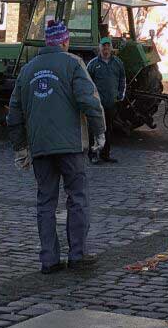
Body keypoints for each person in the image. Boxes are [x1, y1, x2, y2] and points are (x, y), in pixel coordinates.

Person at [8, 18, 105, 274]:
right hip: (70, 146)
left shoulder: (27, 69)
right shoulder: (73, 64)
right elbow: (89, 101)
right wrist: (99, 132)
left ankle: (49, 259)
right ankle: (78, 254)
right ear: (65, 41)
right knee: (77, 198)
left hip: (40, 148)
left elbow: (13, 114)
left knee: (45, 203)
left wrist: (21, 147)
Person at [87, 37, 126, 164]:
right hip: (97, 104)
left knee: (108, 129)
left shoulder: (118, 63)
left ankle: (105, 154)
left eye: (108, 46)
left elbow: (122, 80)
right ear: (100, 47)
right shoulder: (93, 64)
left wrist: (120, 95)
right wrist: (90, 98)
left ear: (111, 48)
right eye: (103, 46)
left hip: (111, 103)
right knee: (94, 129)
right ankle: (93, 154)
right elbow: (87, 83)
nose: (106, 48)